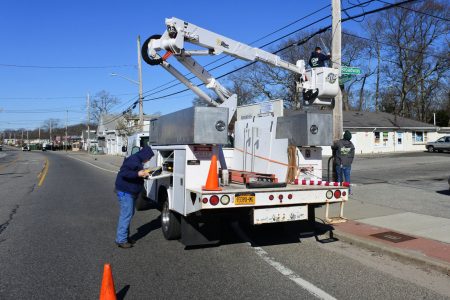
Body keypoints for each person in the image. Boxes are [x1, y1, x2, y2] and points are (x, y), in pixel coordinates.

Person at [114, 146, 154, 248]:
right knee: (126, 214)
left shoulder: (137, 160)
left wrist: (144, 174)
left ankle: (125, 237)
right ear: (145, 155)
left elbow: (134, 173)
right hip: (125, 191)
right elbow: (123, 173)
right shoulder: (133, 160)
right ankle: (121, 240)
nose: (148, 160)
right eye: (149, 158)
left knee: (128, 214)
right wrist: (138, 173)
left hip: (129, 191)